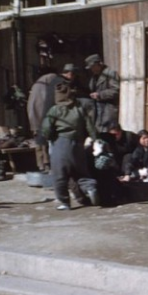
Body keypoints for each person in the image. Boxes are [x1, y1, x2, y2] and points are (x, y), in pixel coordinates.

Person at [41, 82, 99, 210]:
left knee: (59, 174)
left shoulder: (55, 110)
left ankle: (64, 202)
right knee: (81, 171)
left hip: (61, 142)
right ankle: (90, 187)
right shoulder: (79, 107)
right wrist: (95, 139)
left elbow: (46, 128)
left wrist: (49, 137)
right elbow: (90, 125)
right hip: (78, 144)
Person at [27, 65, 69, 172]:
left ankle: (41, 165)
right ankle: (47, 164)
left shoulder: (38, 82)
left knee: (38, 139)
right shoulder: (52, 78)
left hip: (34, 111)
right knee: (44, 138)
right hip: (42, 111)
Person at [84, 54, 120, 133]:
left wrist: (100, 95)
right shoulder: (95, 76)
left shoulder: (110, 73)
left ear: (98, 64)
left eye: (92, 67)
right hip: (97, 111)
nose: (91, 69)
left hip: (108, 110)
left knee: (107, 134)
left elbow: (116, 90)